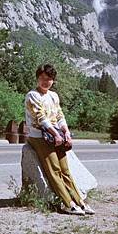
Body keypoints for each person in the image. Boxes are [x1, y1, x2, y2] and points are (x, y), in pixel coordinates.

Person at [24, 63, 95, 215]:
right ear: (37, 78)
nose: (45, 81)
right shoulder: (32, 95)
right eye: (42, 78)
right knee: (54, 170)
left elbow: (59, 116)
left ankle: (80, 202)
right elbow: (41, 118)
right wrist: (56, 134)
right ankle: (67, 203)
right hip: (40, 136)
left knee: (65, 170)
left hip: (56, 135)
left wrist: (66, 132)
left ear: (53, 80)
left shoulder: (53, 96)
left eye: (49, 78)